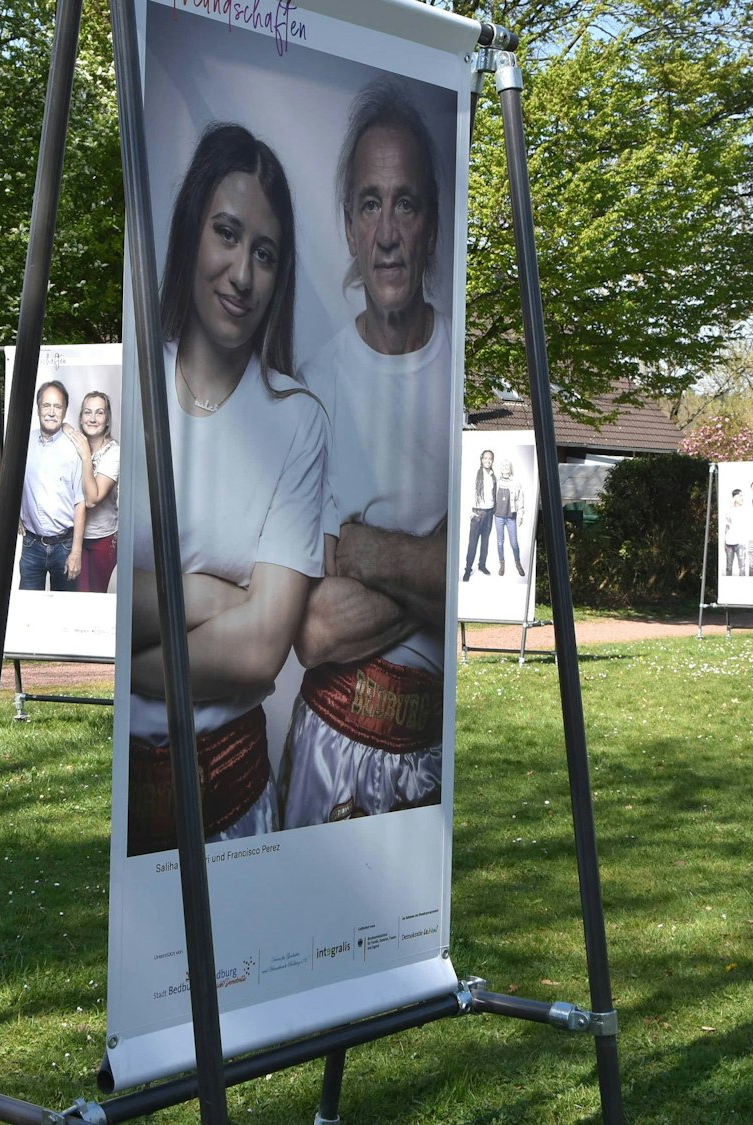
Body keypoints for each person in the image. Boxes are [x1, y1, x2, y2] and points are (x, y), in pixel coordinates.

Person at [125, 122, 326, 857]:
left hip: (233, 803)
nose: (242, 273)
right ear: (190, 233)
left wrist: (136, 656)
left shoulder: (297, 421)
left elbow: (259, 652)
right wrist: (207, 598)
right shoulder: (129, 384)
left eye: (264, 253)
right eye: (227, 234)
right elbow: (97, 594)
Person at [285, 81, 451, 830]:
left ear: (433, 226)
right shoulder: (314, 388)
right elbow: (315, 630)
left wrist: (360, 549)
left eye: (406, 203)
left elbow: (476, 582)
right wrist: (434, 560)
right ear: (350, 227)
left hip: (432, 754)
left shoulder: (462, 377)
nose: (388, 232)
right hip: (331, 751)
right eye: (370, 204)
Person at [19, 379, 86, 591]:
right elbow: (12, 483)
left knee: (65, 617)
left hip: (65, 547)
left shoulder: (74, 448)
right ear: (38, 409)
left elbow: (81, 502)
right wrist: (15, 515)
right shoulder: (23, 444)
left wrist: (76, 552)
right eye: (46, 406)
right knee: (29, 616)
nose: (51, 412)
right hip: (31, 546)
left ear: (65, 411)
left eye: (57, 406)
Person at [70, 390, 120, 593]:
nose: (92, 418)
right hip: (73, 537)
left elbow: (91, 499)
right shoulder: (72, 445)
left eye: (99, 413)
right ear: (80, 418)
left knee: (96, 598)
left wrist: (85, 456)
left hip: (103, 538)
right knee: (75, 599)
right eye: (87, 412)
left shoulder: (114, 452)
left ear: (107, 420)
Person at [462, 449, 496, 579]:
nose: (488, 460)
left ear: (492, 460)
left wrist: (493, 510)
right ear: (481, 459)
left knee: (485, 541)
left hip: (489, 513)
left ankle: (482, 565)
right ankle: (468, 568)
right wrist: (470, 511)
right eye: (485, 458)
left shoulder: (493, 476)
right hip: (478, 513)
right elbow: (467, 491)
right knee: (473, 542)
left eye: (490, 458)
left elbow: (493, 494)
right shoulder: (476, 474)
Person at [492, 458, 526, 577]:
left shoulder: (516, 482)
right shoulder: (495, 481)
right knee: (500, 542)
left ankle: (518, 563)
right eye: (503, 466)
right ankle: (502, 565)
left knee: (514, 543)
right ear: (500, 468)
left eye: (507, 466)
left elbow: (520, 500)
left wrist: (521, 516)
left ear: (510, 468)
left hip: (511, 517)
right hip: (498, 517)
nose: (505, 468)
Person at [722, 488, 750, 576]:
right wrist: (724, 542)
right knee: (729, 567)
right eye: (740, 496)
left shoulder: (745, 510)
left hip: (741, 542)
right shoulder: (729, 510)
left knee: (742, 567)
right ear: (735, 497)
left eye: (742, 496)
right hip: (729, 542)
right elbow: (726, 527)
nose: (742, 498)